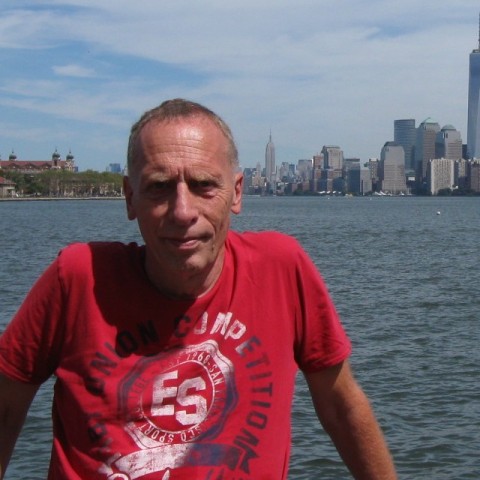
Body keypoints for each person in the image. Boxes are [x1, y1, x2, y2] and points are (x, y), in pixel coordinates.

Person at [0, 98, 397, 479]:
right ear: (130, 197)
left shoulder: (281, 268)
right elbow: (5, 407)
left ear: (236, 193)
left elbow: (341, 406)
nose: (183, 211)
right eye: (159, 187)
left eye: (204, 185)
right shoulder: (78, 278)